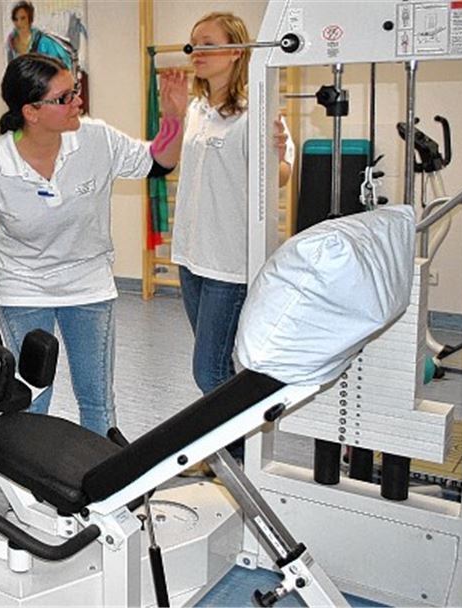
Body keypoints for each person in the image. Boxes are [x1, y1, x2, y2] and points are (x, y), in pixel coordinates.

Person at [0, 54, 188, 436]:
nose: (78, 102)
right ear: (31, 111)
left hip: (88, 283)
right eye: (65, 98)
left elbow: (158, 162)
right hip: (23, 287)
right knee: (32, 395)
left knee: (96, 397)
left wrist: (174, 119)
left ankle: (101, 483)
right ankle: (31, 482)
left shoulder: (96, 139)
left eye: (74, 92)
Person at [171, 12, 294, 462]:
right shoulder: (196, 109)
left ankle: (240, 458)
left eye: (206, 44)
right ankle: (231, 451)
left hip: (229, 264)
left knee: (208, 372)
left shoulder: (258, 111)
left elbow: (279, 176)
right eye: (192, 44)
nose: (195, 53)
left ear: (237, 51)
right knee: (219, 367)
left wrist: (279, 155)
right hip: (191, 256)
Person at [6, 1, 74, 70]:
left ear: (30, 19)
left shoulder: (43, 41)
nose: (19, 23)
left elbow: (61, 65)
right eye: (15, 19)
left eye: (23, 18)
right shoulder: (11, 42)